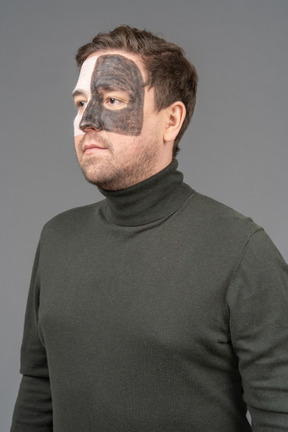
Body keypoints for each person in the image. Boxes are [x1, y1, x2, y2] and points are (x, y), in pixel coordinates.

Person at [11, 25, 288, 432]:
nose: (86, 120)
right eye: (80, 102)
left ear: (171, 120)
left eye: (111, 99)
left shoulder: (241, 251)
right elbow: (38, 389)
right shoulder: (57, 238)